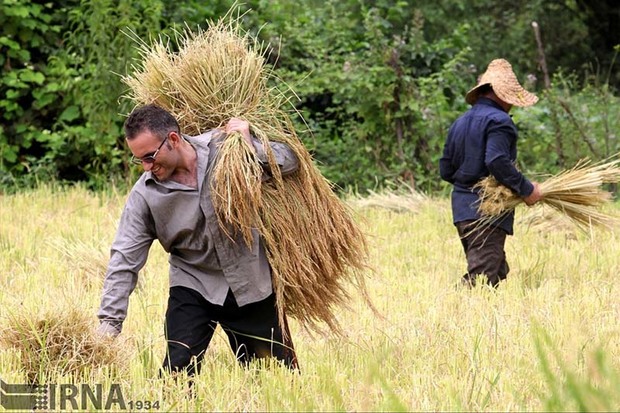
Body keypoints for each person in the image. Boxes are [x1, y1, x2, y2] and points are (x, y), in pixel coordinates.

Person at [97, 104, 300, 374]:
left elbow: (291, 161)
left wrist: (252, 145)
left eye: (149, 156)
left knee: (278, 379)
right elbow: (124, 259)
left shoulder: (225, 149)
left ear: (173, 139)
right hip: (193, 284)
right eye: (139, 160)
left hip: (250, 282)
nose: (145, 167)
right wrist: (109, 325)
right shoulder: (145, 195)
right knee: (176, 376)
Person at [439, 58, 543, 287]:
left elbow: (445, 169)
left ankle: (479, 320)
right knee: (482, 279)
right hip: (486, 211)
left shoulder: (460, 122)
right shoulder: (500, 121)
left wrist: (468, 183)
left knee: (496, 270)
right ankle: (453, 317)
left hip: (462, 211)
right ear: (502, 95)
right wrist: (526, 190)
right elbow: (497, 160)